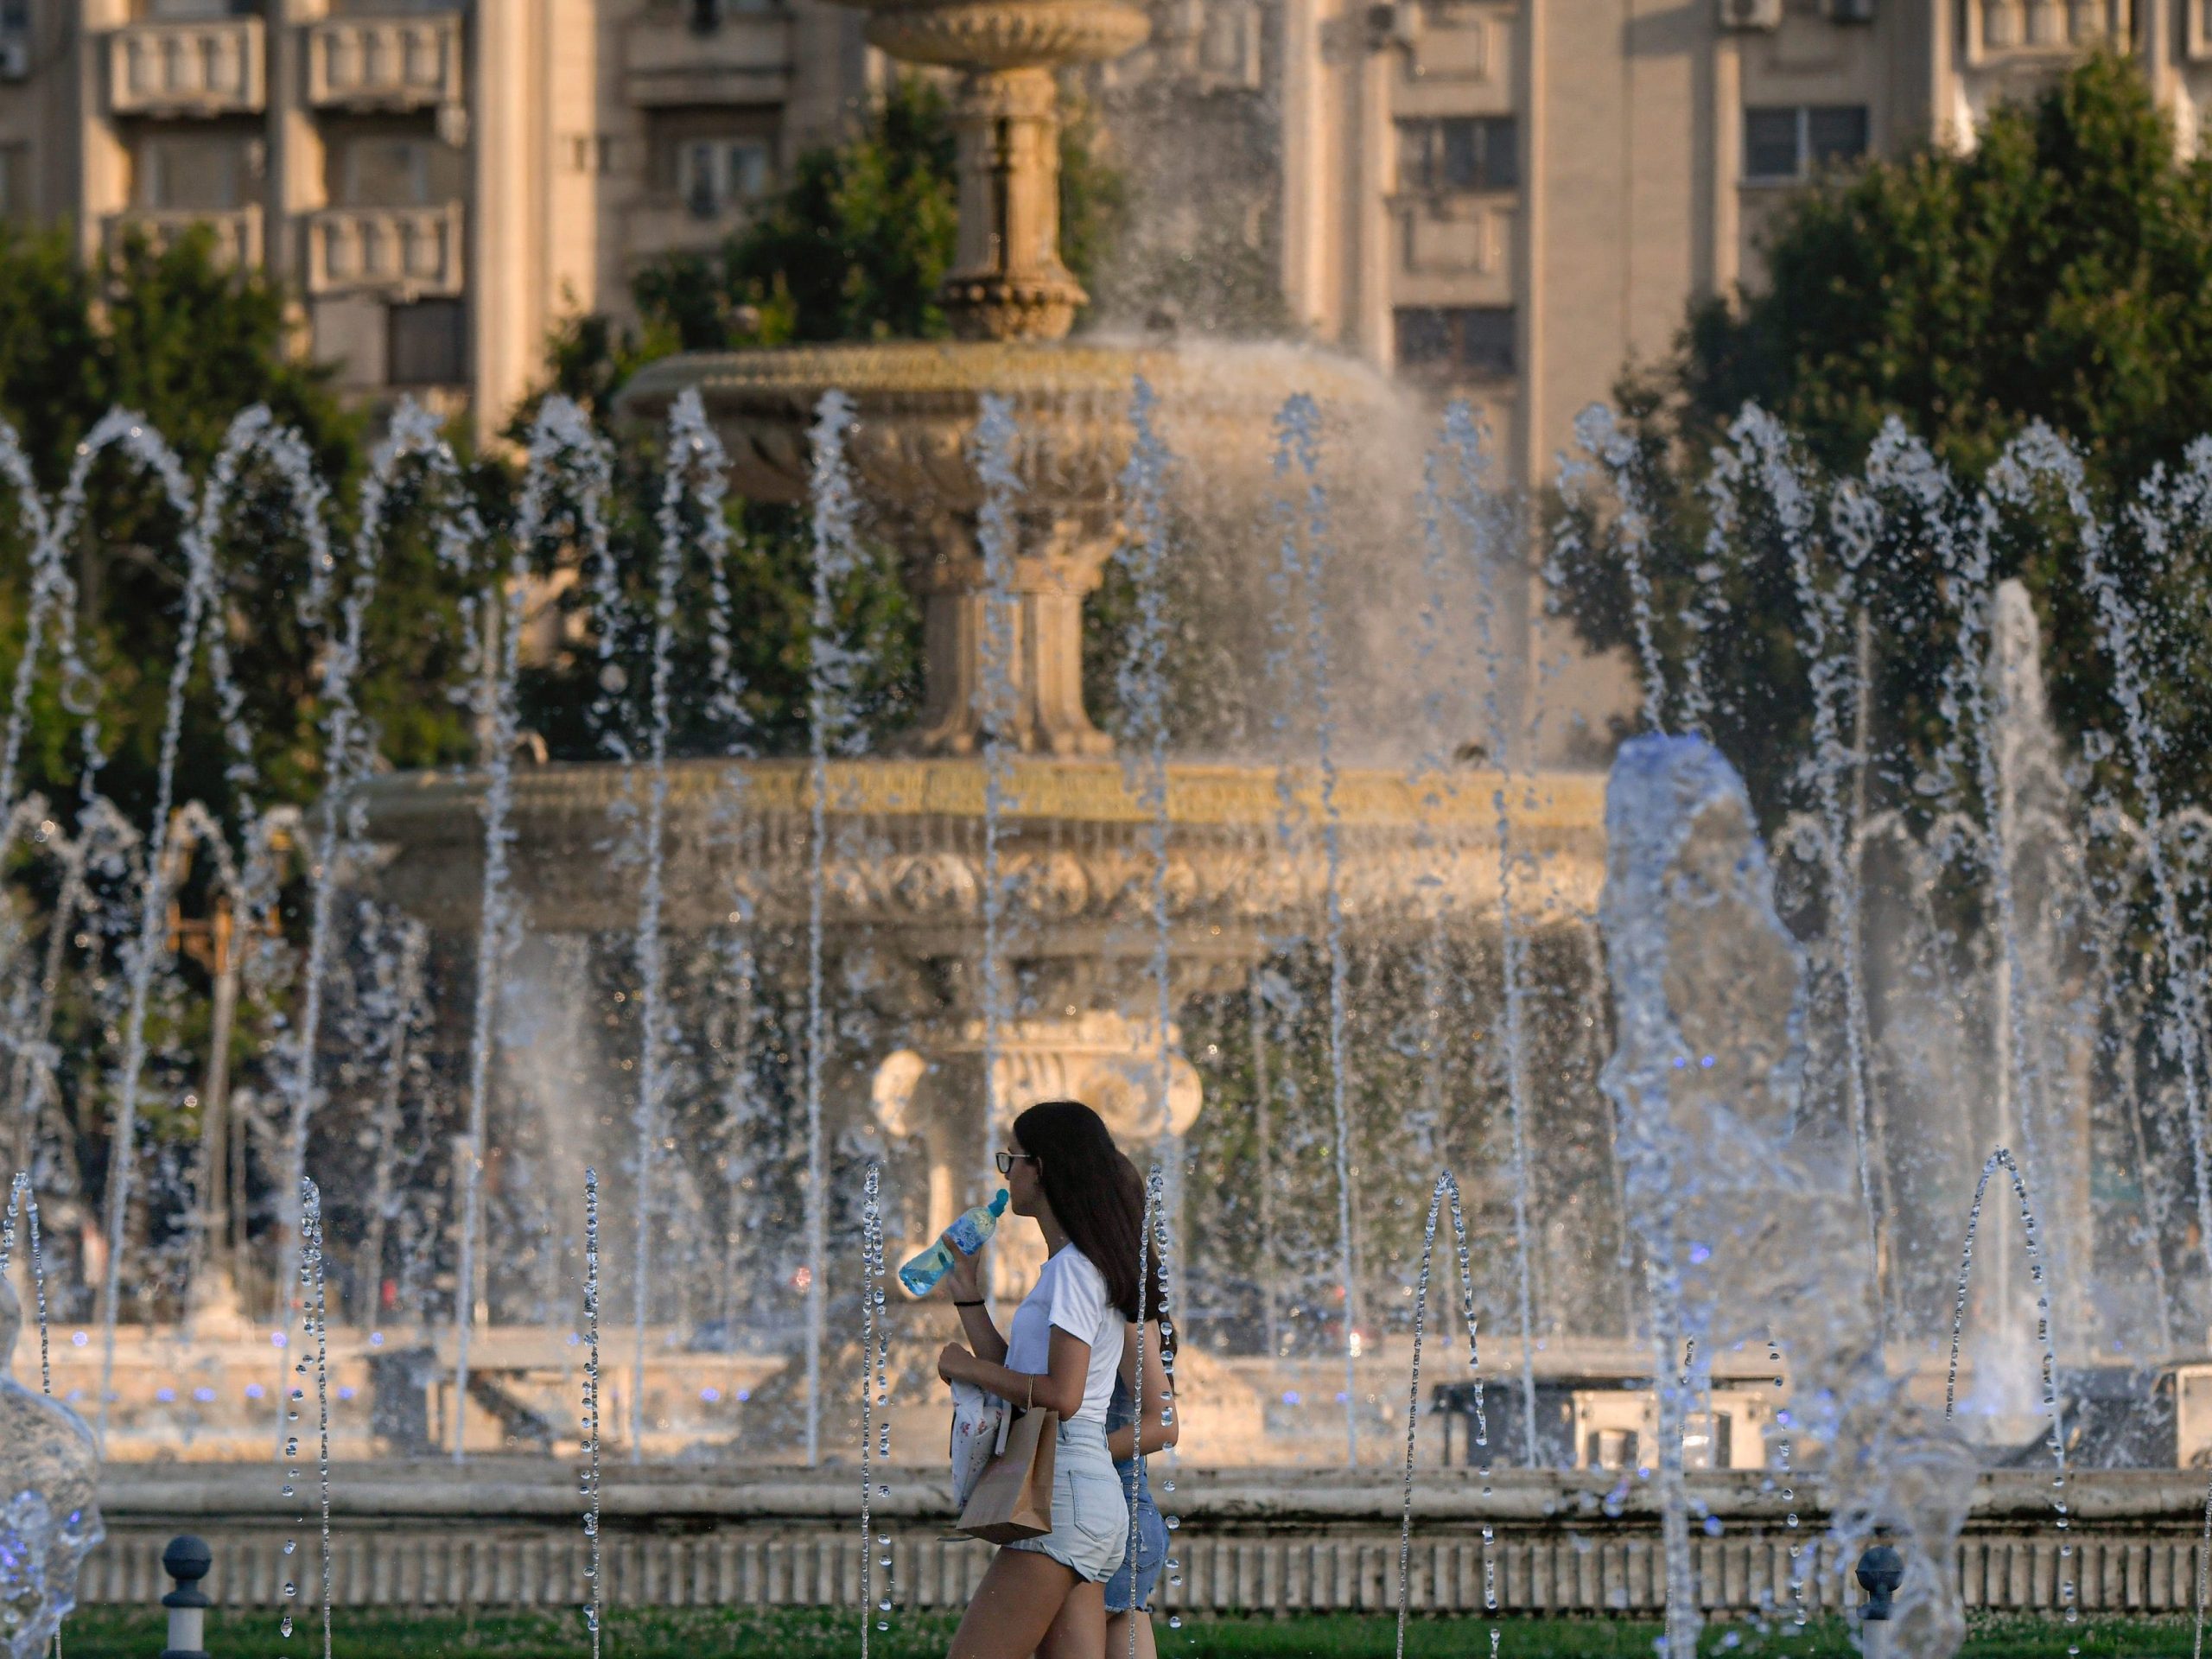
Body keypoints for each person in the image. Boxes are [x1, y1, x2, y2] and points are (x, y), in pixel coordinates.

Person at [935, 1101, 1143, 1659]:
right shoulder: (1075, 1265)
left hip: (1063, 1493)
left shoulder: (1076, 1269)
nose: (1007, 1173)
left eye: (1013, 1158)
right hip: (1085, 1495)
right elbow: (1026, 1375)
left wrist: (964, 1368)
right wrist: (968, 1295)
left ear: (1043, 1168)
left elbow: (1061, 1396)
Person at [1103, 1150, 1177, 1659]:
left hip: (1118, 1517)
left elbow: (1164, 1423)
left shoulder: (1127, 1310)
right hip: (1120, 1520)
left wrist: (1074, 1451)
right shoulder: (1120, 1300)